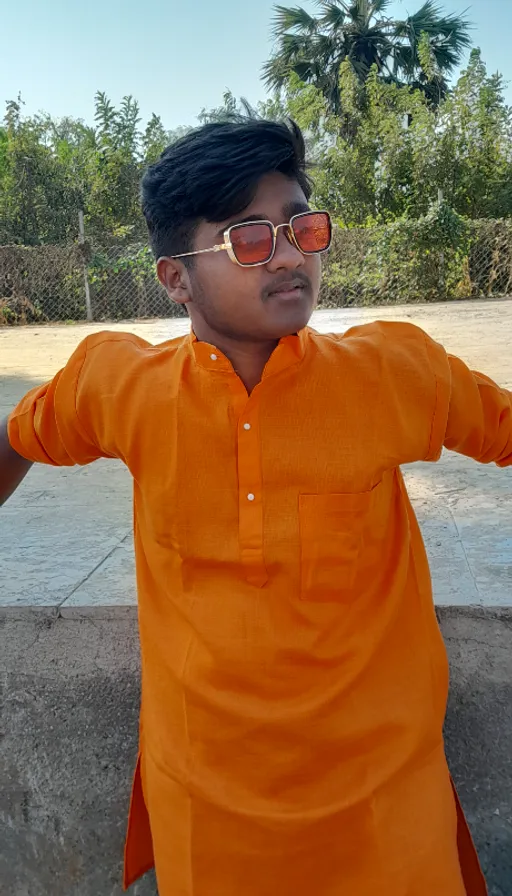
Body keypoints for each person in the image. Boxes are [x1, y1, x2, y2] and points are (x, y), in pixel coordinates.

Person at [0, 118, 509, 896]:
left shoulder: (390, 372)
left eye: (303, 227)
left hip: (384, 814)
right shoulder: (119, 387)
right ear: (176, 278)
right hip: (209, 818)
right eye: (249, 238)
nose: (291, 254)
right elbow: (17, 434)